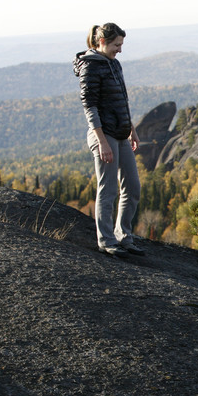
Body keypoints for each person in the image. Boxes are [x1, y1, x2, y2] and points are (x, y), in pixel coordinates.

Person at [73, 23, 143, 258]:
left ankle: (124, 236)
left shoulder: (113, 63)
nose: (119, 50)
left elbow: (121, 99)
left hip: (121, 132)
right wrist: (102, 142)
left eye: (121, 45)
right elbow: (90, 107)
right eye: (116, 45)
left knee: (132, 187)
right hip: (104, 135)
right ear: (101, 42)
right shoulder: (90, 67)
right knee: (108, 189)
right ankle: (106, 240)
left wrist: (131, 128)